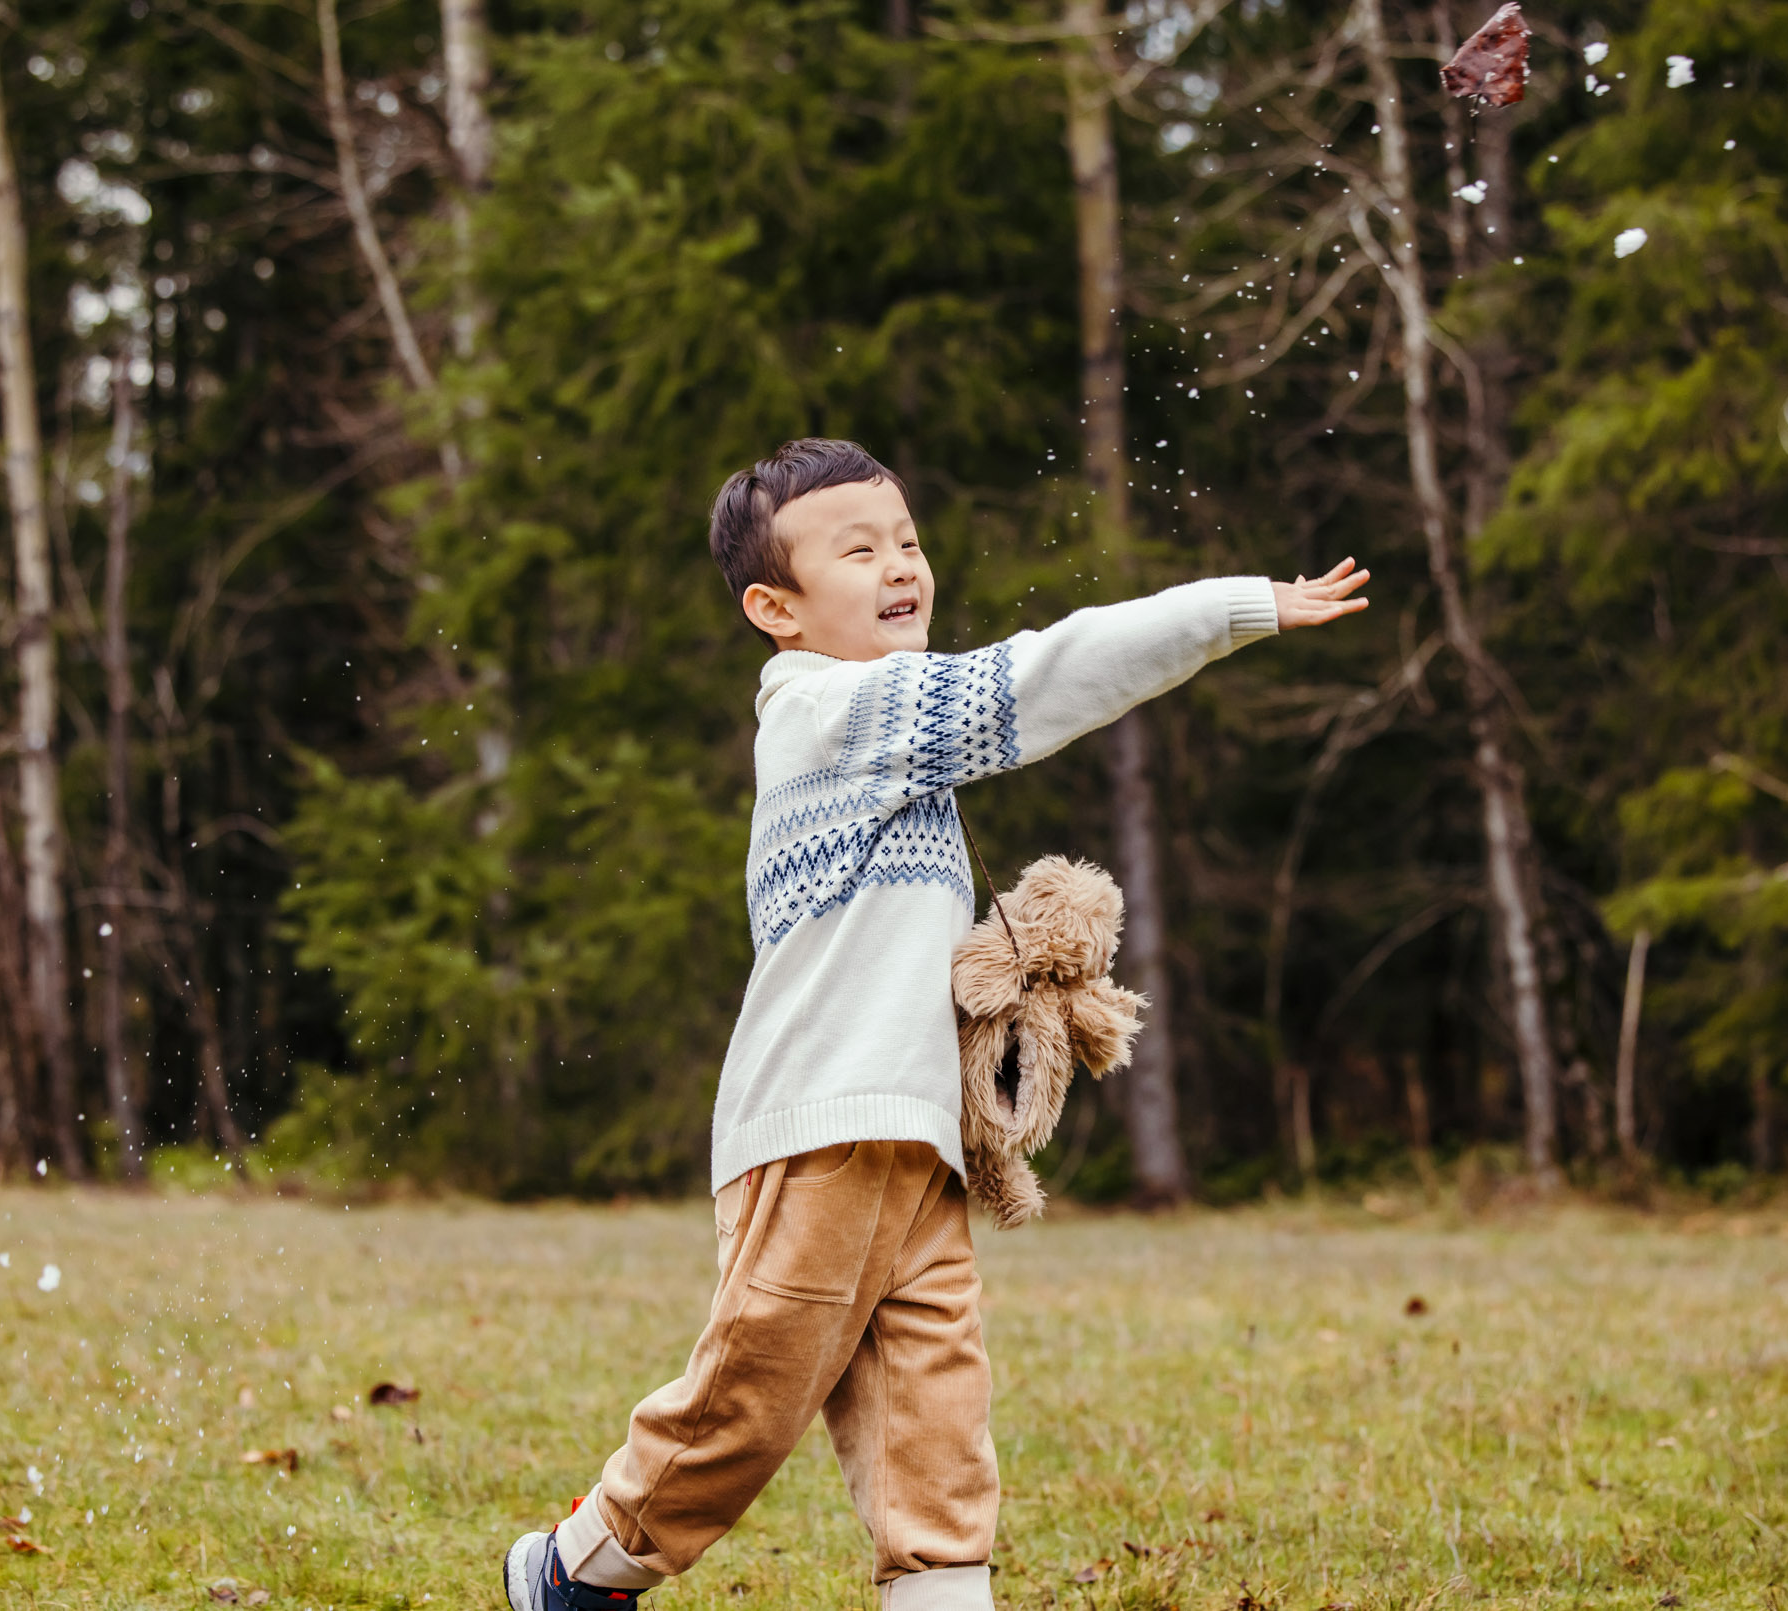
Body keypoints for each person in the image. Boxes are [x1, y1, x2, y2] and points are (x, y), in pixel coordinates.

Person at [502, 438, 1368, 1610]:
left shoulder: (889, 730)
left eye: (905, 539)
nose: (900, 564)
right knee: (752, 1396)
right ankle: (575, 1566)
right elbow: (1044, 674)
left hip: (915, 1141)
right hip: (818, 1127)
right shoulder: (831, 707)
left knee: (936, 1410)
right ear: (776, 608)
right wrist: (1233, 607)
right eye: (856, 551)